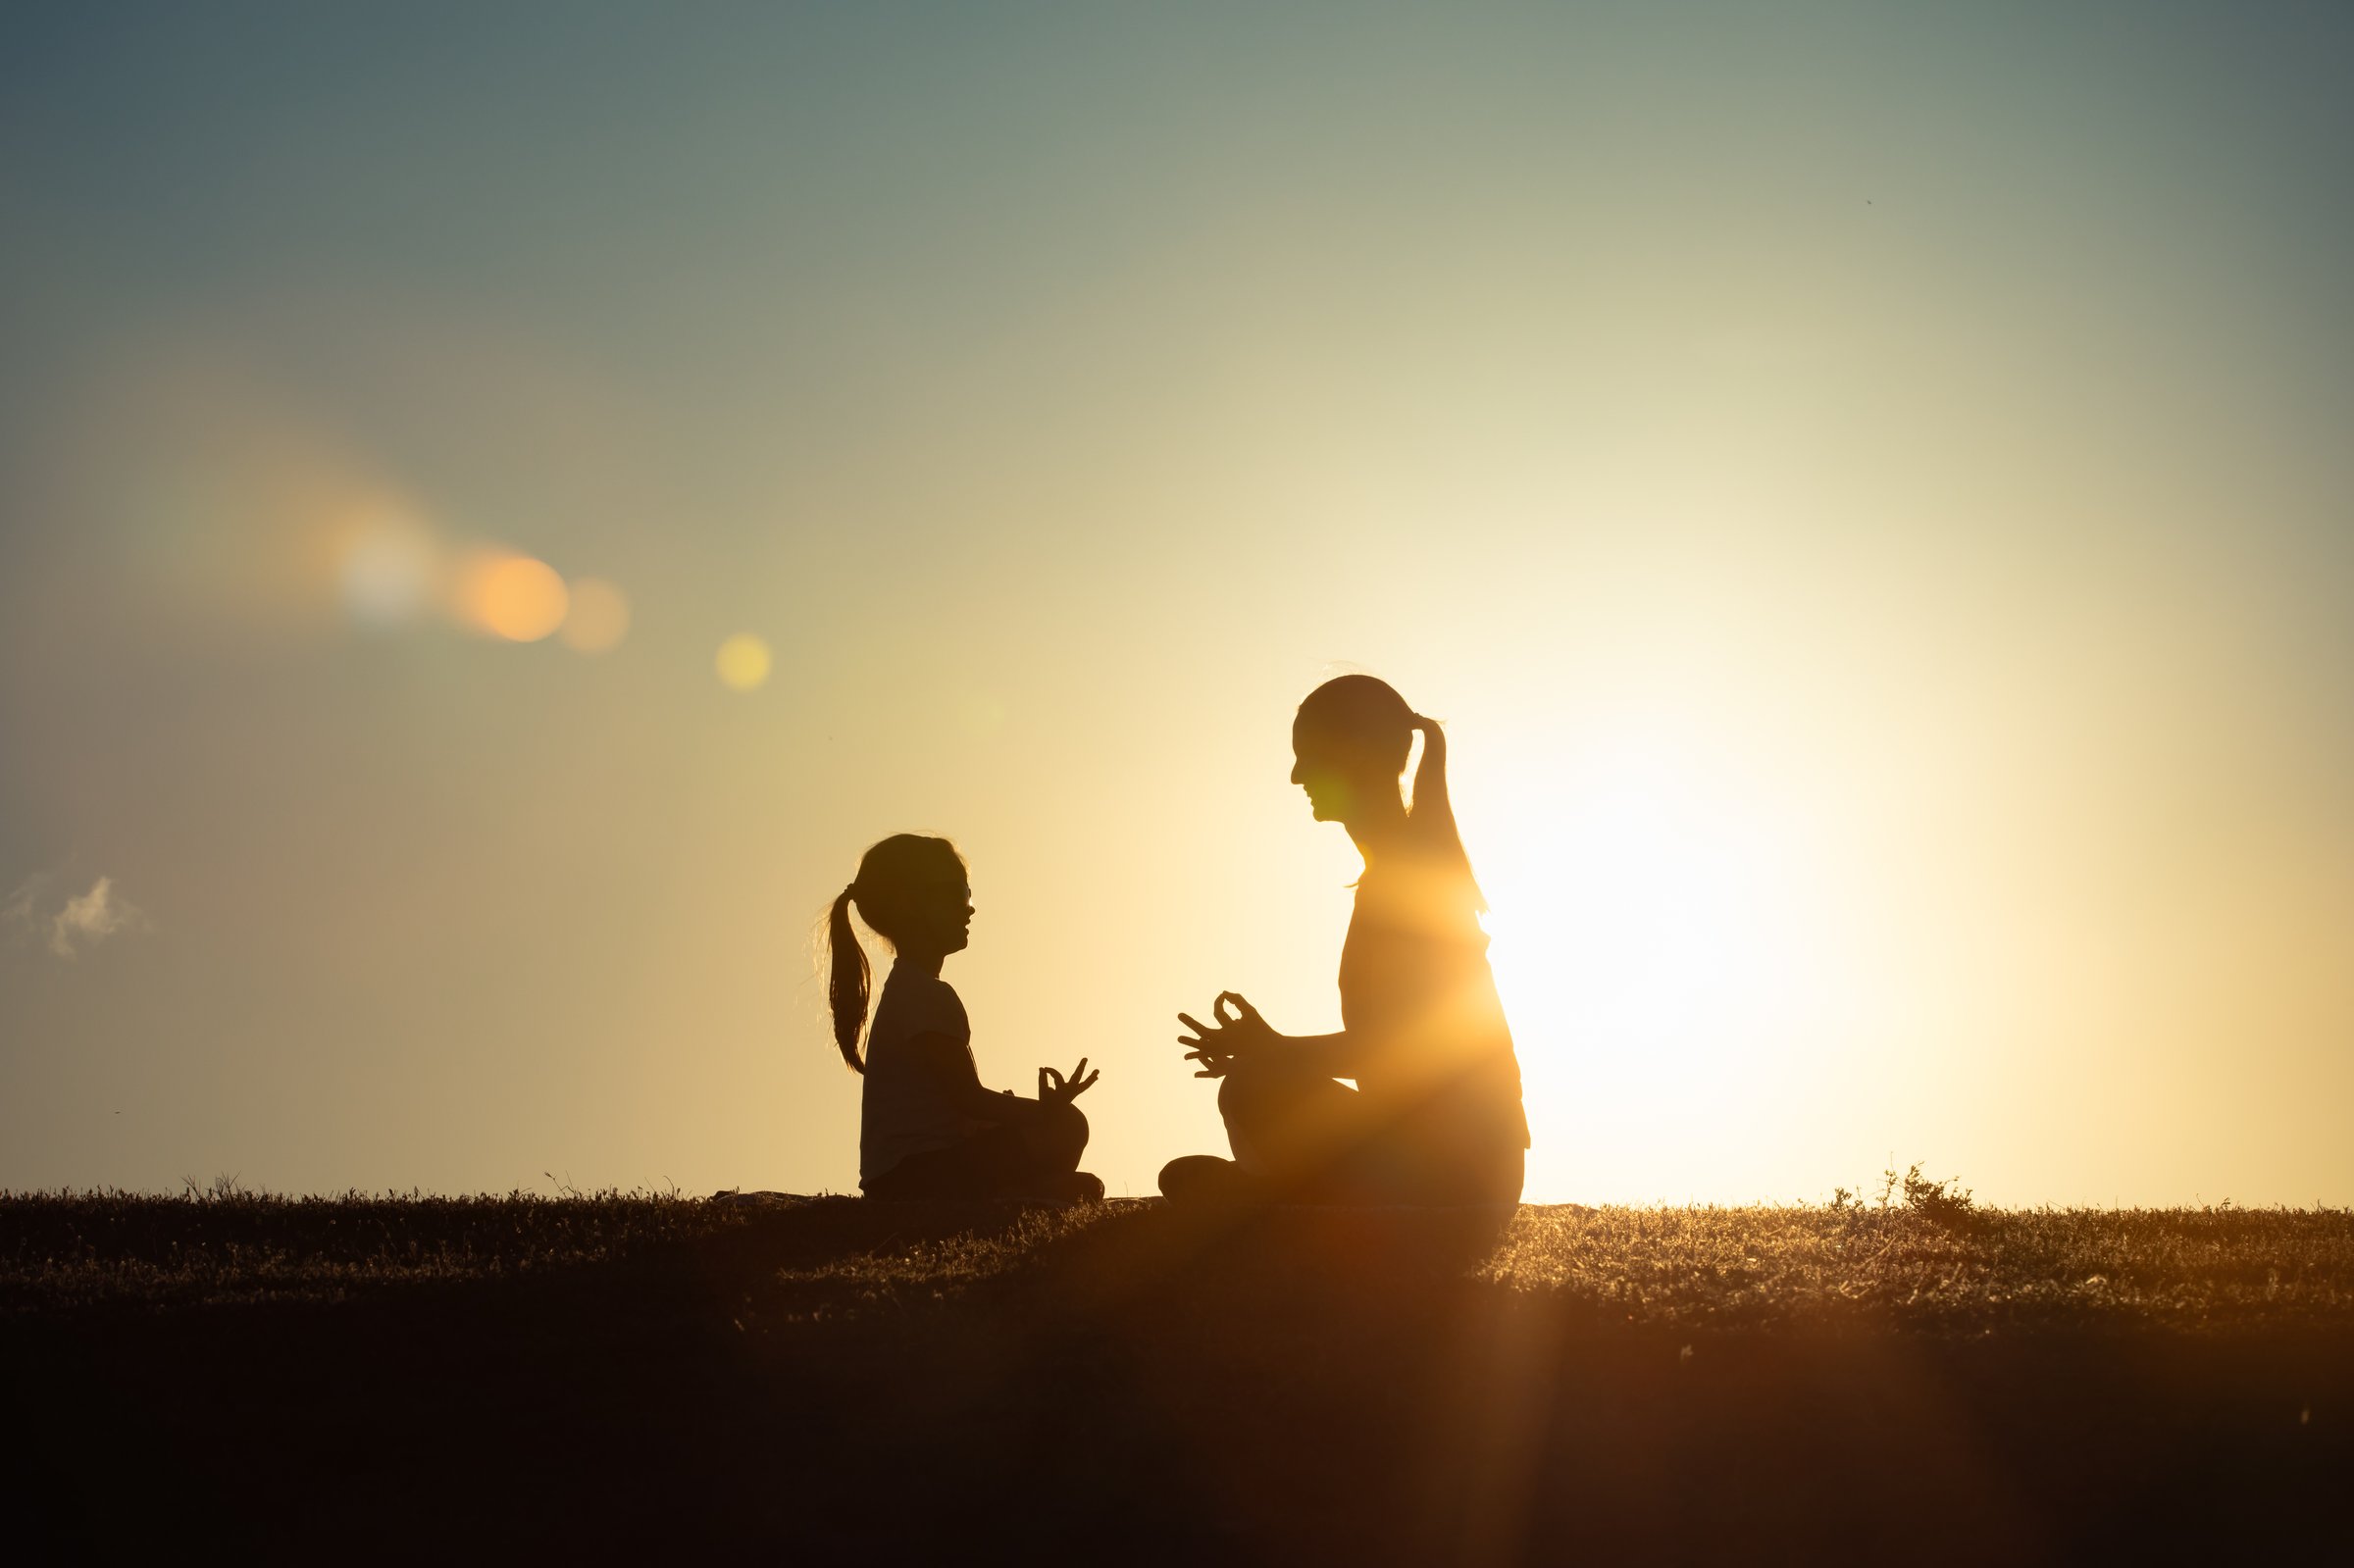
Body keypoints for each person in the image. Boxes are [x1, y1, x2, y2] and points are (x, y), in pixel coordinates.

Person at [1162, 676, 1529, 1208]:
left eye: (1308, 756)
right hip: (1462, 1169)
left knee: (1251, 1088)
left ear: (1357, 756)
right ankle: (1288, 1208)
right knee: (1203, 1151)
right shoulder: (1400, 872)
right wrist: (1272, 1051)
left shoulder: (1404, 881)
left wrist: (1273, 1052)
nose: (1294, 776)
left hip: (1456, 1176)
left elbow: (1401, 1053)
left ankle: (1294, 1214)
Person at [823, 834, 1103, 1202]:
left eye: (967, 893)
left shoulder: (910, 989)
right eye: (956, 893)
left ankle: (1024, 1193)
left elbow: (958, 1109)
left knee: (1071, 1154)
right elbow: (969, 1100)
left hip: (908, 1177)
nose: (969, 908)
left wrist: (1030, 1112)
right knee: (1068, 1125)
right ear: (910, 904)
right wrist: (1042, 1113)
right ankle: (1014, 1198)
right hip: (916, 1181)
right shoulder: (924, 994)